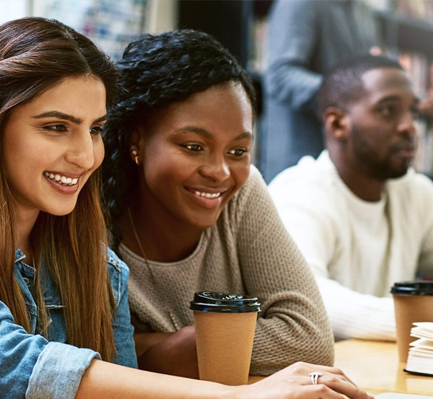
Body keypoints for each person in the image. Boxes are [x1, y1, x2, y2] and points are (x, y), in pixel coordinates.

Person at [0, 17, 372, 399]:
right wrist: (238, 396)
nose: (85, 155)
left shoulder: (90, 254)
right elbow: (1, 364)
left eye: (94, 129)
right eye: (56, 127)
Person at [100, 29, 334, 379]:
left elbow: (310, 340)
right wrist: (217, 342)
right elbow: (86, 355)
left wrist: (163, 346)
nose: (220, 172)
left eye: (238, 151)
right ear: (137, 140)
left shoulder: (243, 192)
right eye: (194, 146)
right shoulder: (90, 210)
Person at [269, 55, 433, 341]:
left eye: (413, 113)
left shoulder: (415, 192)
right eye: (388, 110)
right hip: (314, 376)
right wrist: (419, 319)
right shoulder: (298, 193)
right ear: (337, 123)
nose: (409, 127)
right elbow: (309, 299)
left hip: (380, 370)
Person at [260, 0, 380, 182]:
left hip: (348, 168)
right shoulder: (298, 4)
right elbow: (280, 76)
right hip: (300, 165)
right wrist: (349, 94)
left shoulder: (366, 13)